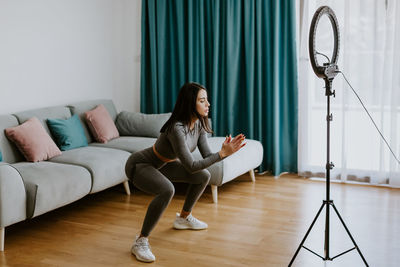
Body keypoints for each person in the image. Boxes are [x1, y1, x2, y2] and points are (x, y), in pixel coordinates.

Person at [125, 82, 246, 263]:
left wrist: (224, 151)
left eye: (207, 100)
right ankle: (141, 241)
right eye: (202, 101)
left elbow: (206, 158)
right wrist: (222, 154)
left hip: (163, 165)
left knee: (204, 176)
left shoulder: (198, 126)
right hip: (140, 165)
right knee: (167, 190)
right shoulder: (176, 128)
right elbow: (191, 165)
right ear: (190, 103)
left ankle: (184, 217)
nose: (208, 104)